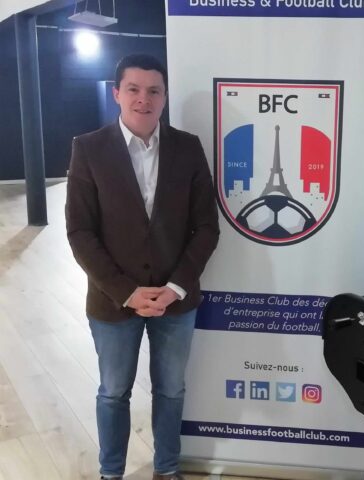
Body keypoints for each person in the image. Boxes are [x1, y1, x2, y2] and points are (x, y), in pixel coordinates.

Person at [65, 53, 220, 480]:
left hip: (176, 300)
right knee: (114, 392)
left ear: (164, 97)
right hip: (113, 300)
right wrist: (127, 292)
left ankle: (167, 470)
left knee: (171, 390)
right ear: (117, 93)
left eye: (154, 91)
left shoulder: (188, 148)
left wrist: (177, 287)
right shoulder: (88, 148)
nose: (143, 99)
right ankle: (111, 473)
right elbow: (80, 233)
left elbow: (207, 227)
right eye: (133, 89)